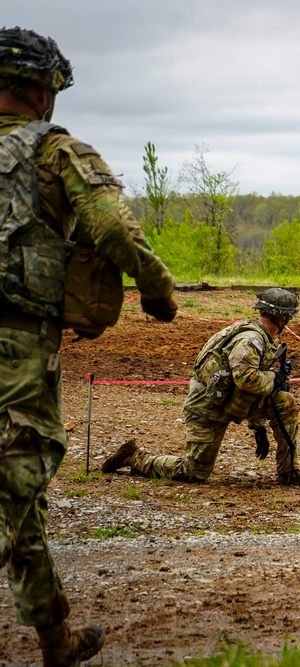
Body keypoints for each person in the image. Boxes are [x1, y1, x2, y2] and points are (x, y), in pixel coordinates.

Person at [0, 27, 178, 666]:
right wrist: (157, 289)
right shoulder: (55, 153)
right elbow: (111, 230)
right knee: (18, 473)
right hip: (14, 347)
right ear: (44, 92)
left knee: (16, 491)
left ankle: (56, 638)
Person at [102, 289, 300, 490]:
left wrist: (258, 426)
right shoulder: (251, 340)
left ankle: (289, 471)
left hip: (230, 398)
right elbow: (245, 379)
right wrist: (273, 377)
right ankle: (134, 458)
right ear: (281, 317)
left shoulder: (260, 335)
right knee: (195, 472)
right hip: (207, 405)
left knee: (284, 401)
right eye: (288, 317)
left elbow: (250, 387)